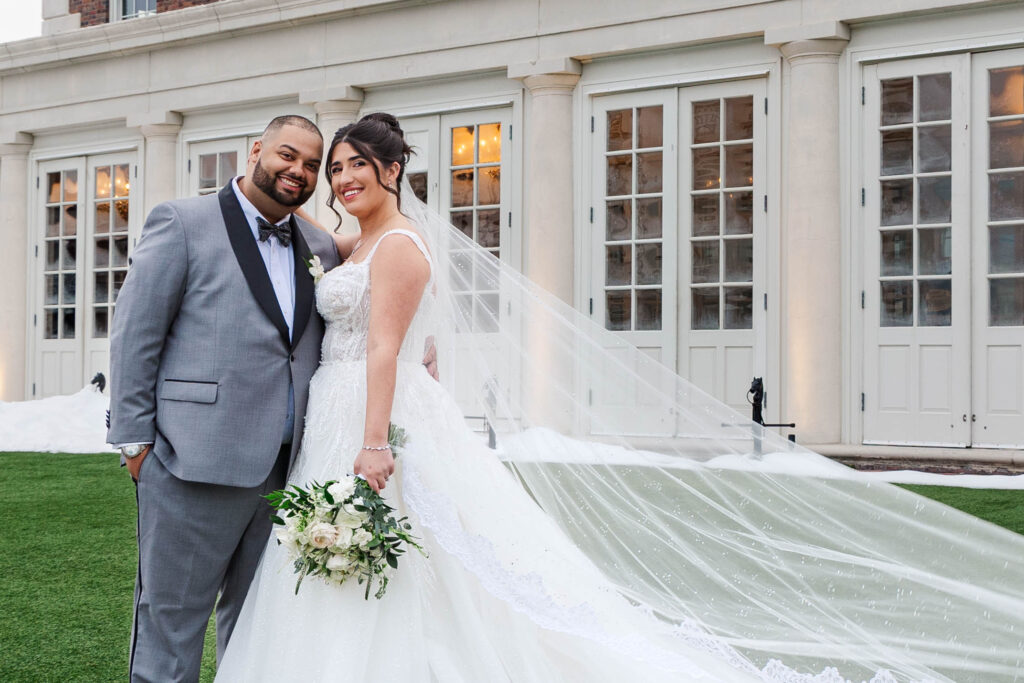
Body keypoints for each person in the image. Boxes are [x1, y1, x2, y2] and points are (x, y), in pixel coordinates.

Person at [215, 113, 1024, 682]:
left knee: (414, 549)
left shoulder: (398, 246)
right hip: (333, 403)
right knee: (351, 554)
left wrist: (376, 440)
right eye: (338, 167)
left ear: (394, 171)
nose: (345, 177)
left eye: (361, 164)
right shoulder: (343, 240)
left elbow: (387, 345)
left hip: (371, 413)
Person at [107, 115, 342, 682]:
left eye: (312, 165)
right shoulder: (183, 221)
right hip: (192, 459)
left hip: (290, 472)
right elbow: (136, 332)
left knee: (262, 626)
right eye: (288, 155)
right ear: (257, 150)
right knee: (172, 621)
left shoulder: (320, 246)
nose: (299, 171)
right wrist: (135, 441)